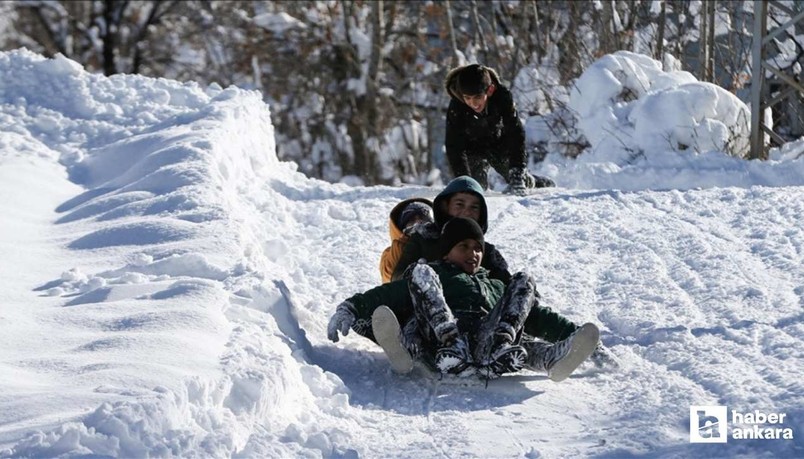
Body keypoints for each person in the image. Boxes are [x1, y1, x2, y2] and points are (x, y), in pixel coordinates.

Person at [328, 217, 600, 380]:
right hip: (441, 342)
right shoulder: (437, 272)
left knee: (523, 282)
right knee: (419, 275)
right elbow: (390, 292)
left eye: (478, 248)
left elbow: (535, 315)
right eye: (464, 247)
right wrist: (351, 307)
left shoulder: (494, 283)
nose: (473, 254)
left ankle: (553, 358)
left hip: (491, 344)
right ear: (447, 252)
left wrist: (578, 338)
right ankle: (408, 348)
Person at [444, 63, 555, 195]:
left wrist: (517, 170)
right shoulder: (457, 105)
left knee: (518, 180)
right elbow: (454, 145)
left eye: (478, 97)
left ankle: (535, 181)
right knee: (475, 188)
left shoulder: (502, 96)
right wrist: (463, 180)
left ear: (489, 91)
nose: (473, 103)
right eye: (467, 98)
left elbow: (515, 132)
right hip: (471, 149)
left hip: (498, 144)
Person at [391, 175, 512, 284]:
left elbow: (506, 286)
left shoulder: (484, 251)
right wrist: (422, 274)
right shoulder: (423, 241)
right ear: (445, 207)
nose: (467, 212)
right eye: (459, 204)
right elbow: (397, 277)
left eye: (474, 207)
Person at [379, 198, 433, 283]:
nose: (418, 222)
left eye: (423, 217)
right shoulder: (392, 252)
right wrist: (403, 244)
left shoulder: (442, 242)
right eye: (411, 220)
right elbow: (389, 275)